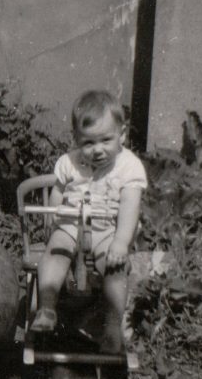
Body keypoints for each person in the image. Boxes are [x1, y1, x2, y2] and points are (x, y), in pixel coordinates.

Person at [31, 90, 147, 353]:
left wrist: (120, 242)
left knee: (115, 267)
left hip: (109, 229)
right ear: (76, 139)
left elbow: (130, 207)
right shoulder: (68, 162)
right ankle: (47, 309)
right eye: (88, 143)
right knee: (55, 253)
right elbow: (58, 191)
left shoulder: (129, 166)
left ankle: (112, 324)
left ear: (123, 134)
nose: (97, 150)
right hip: (71, 223)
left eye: (106, 140)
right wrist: (53, 215)